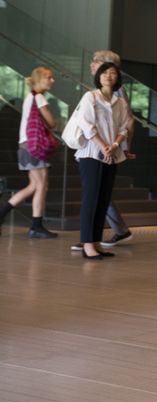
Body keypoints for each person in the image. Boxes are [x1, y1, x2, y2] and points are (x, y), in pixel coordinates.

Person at [70, 50, 135, 251]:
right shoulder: (91, 96)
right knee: (93, 198)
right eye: (104, 71)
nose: (92, 65)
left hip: (111, 152)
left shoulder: (119, 98)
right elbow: (87, 125)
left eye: (97, 62)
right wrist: (105, 146)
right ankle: (88, 242)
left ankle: (94, 241)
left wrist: (117, 147)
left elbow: (125, 125)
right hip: (92, 151)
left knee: (103, 198)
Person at [0, 67, 59, 238]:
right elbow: (52, 123)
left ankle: (2, 213)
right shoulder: (39, 97)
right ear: (38, 80)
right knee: (41, 186)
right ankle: (36, 226)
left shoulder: (29, 97)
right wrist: (52, 122)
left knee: (34, 186)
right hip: (35, 147)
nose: (52, 80)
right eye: (49, 77)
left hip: (26, 147)